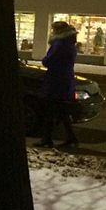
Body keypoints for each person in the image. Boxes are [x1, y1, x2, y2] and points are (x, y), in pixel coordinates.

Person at [36, 21, 79, 149]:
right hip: (65, 79)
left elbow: (49, 61)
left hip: (56, 80)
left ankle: (47, 139)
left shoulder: (59, 44)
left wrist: (44, 60)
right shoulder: (70, 44)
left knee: (50, 110)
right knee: (61, 111)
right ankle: (71, 138)